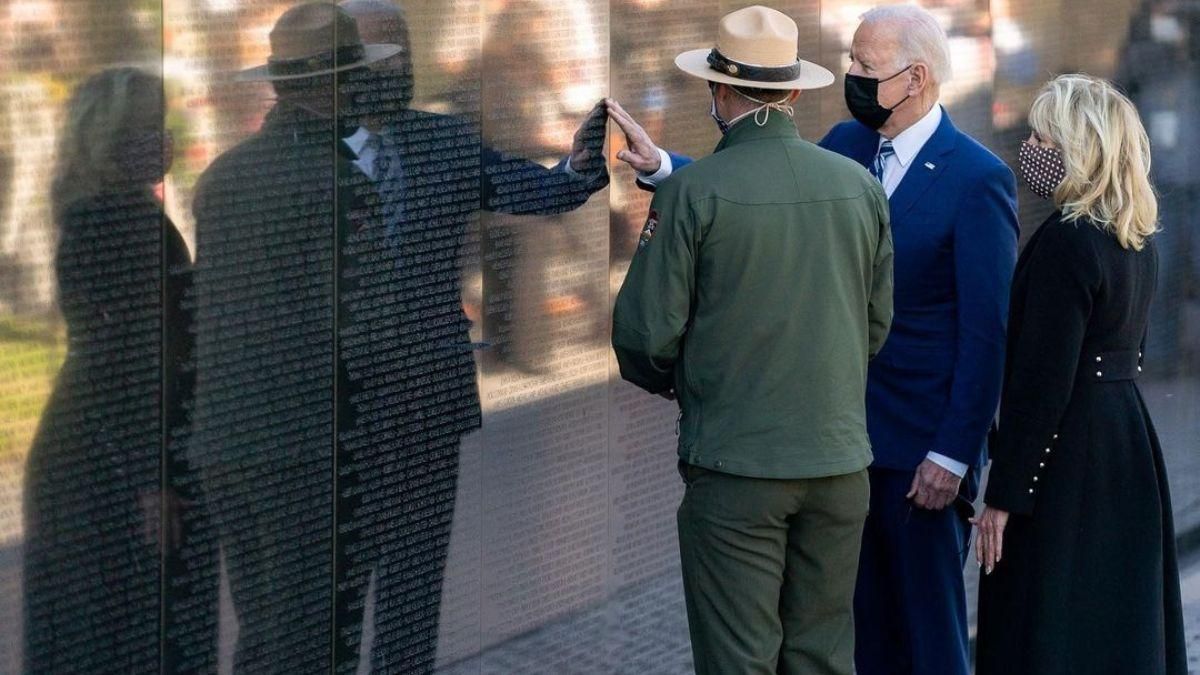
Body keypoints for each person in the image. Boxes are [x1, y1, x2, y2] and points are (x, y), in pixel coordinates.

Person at [609, 7, 1018, 673]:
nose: (850, 74)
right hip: (840, 447)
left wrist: (953, 453)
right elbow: (763, 187)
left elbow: (985, 333)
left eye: (863, 64)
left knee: (928, 638)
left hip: (920, 458)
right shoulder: (846, 145)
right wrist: (665, 167)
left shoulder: (977, 179)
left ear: (914, 78)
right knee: (853, 641)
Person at [612, 7, 894, 673]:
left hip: (737, 467)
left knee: (740, 660)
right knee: (823, 656)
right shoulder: (860, 187)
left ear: (717, 92)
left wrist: (694, 383)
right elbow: (875, 326)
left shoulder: (693, 192)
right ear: (795, 92)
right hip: (840, 463)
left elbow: (643, 337)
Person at [333, 1, 607, 672]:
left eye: (399, 47)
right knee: (333, 594)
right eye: (374, 49)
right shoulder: (301, 158)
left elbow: (537, 191)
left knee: (413, 586)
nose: (392, 63)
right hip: (334, 412)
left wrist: (580, 164)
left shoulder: (442, 141)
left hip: (427, 403)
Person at [973, 74, 1188, 675]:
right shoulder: (1133, 236)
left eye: (1044, 135)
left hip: (1070, 454)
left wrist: (1005, 496)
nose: (1032, 147)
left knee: (1054, 617)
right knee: (1114, 618)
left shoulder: (1068, 242)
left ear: (1079, 146)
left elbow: (1041, 386)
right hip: (1125, 443)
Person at [23, 66, 217, 674]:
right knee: (131, 634)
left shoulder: (111, 213)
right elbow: (120, 361)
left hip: (109, 454)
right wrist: (150, 481)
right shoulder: (114, 222)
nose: (167, 142)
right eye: (151, 129)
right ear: (112, 140)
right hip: (113, 466)